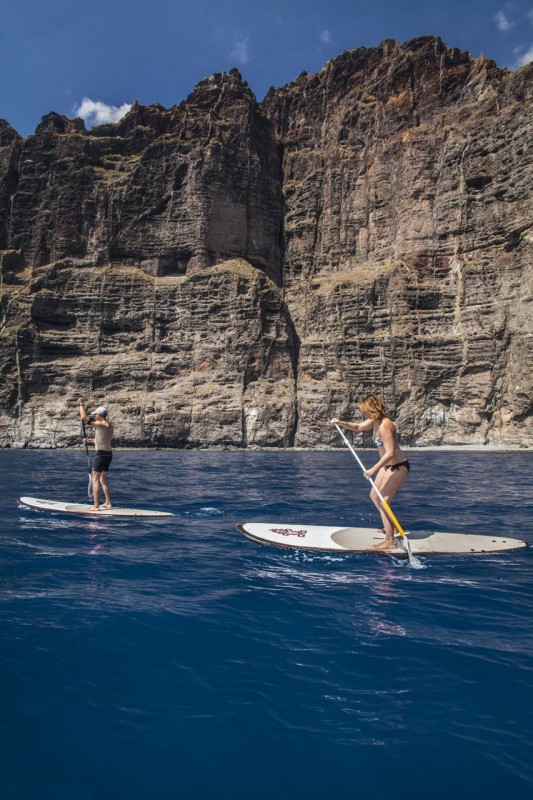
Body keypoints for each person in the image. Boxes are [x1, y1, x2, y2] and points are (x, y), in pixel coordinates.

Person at [331, 395, 410, 549]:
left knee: (383, 502)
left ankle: (390, 541)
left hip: (398, 466)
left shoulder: (384, 425)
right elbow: (358, 427)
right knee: (374, 496)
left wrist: (373, 469)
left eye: (365, 410)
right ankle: (391, 527)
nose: (364, 413)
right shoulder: (375, 421)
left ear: (372, 409)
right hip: (386, 466)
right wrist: (340, 423)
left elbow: (390, 453)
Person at [78, 397, 114, 511]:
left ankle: (96, 506)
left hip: (101, 455)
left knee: (95, 480)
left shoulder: (101, 424)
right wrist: (89, 440)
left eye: (96, 415)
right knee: (103, 480)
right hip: (108, 454)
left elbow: (84, 418)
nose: (95, 416)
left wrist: (81, 404)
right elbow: (102, 440)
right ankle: (108, 503)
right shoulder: (109, 425)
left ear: (100, 415)